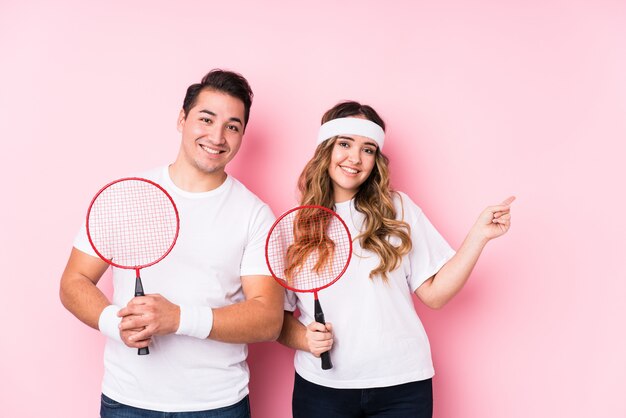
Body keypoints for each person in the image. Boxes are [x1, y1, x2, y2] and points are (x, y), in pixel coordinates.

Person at [59, 69, 284, 417]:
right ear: (182, 119)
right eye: (206, 119)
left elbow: (268, 319)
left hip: (218, 405)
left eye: (233, 126)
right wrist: (113, 322)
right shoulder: (127, 195)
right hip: (127, 401)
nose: (217, 136)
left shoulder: (254, 214)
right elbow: (73, 282)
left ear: (241, 136)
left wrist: (179, 319)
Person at [277, 101, 514, 418]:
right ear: (325, 149)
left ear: (376, 160)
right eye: (345, 144)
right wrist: (305, 339)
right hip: (322, 391)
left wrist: (479, 236)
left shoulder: (397, 208)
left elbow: (435, 294)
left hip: (402, 387)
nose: (355, 159)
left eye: (368, 149)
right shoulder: (296, 225)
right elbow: (274, 321)